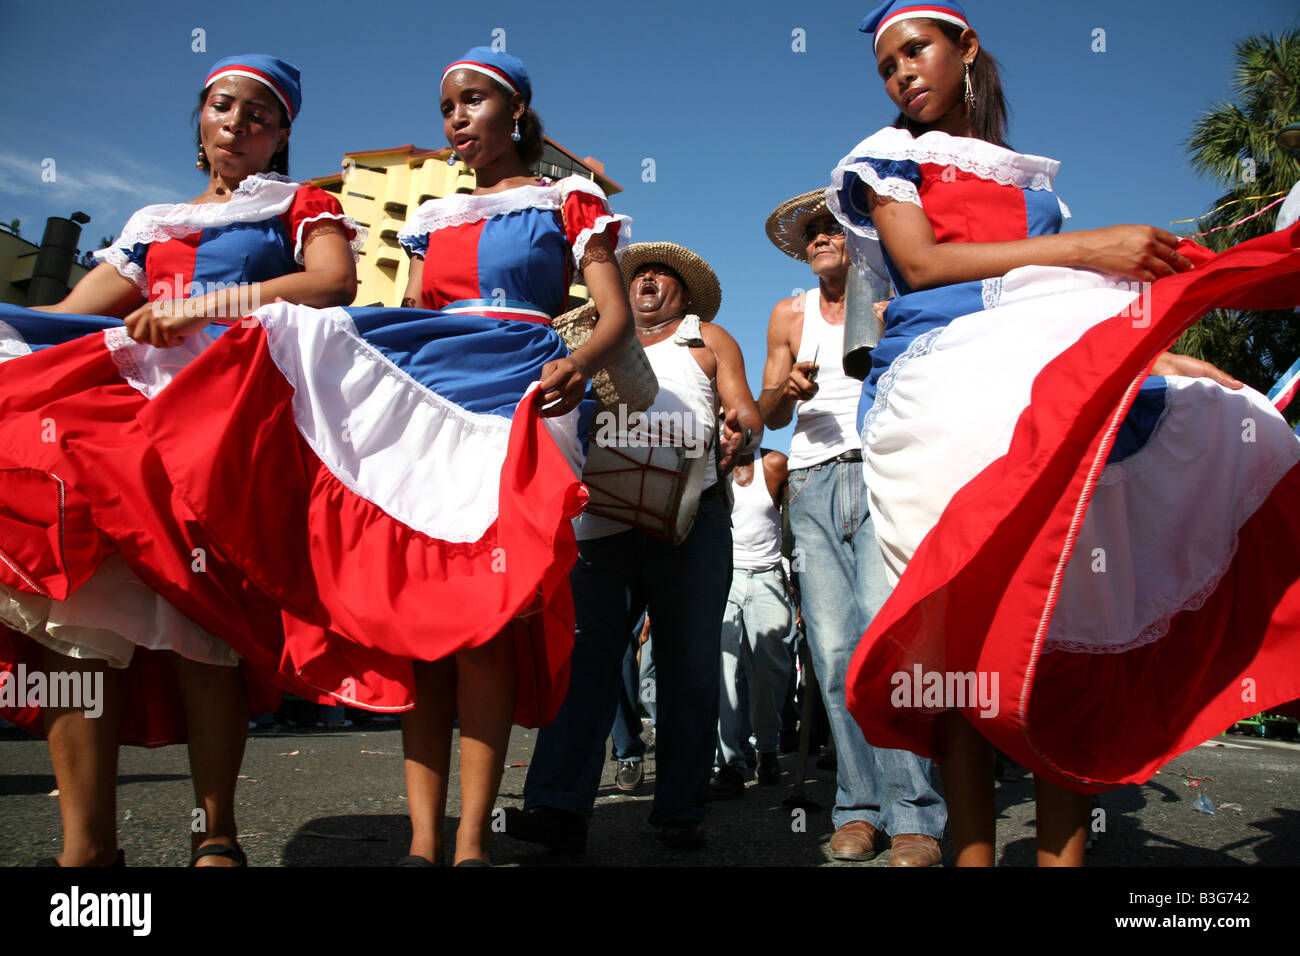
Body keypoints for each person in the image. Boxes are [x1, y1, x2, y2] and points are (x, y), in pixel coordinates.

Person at [830, 0, 1300, 866]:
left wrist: (1165, 360)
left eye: (916, 50)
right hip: (940, 388)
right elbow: (925, 266)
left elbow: (1068, 312)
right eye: (887, 64)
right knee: (958, 635)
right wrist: (1090, 249)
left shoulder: (1034, 184)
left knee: (1055, 619)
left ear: (965, 47)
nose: (901, 73)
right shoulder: (887, 158)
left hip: (1038, 375)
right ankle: (970, 854)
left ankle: (1062, 859)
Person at [0, 55, 362, 867]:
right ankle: (87, 850)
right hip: (121, 423)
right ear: (201, 118)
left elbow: (334, 282)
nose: (240, 122)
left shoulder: (300, 204)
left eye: (261, 115)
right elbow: (60, 318)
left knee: (206, 625)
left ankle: (217, 837)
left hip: (223, 428)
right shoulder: (152, 221)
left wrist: (204, 305)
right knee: (79, 617)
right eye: (225, 106)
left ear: (282, 136)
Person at [506, 241, 763, 851]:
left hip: (691, 520)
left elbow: (748, 413)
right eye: (637, 274)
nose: (646, 280)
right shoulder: (588, 338)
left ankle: (680, 809)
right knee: (585, 665)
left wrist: (742, 434)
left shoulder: (709, 340)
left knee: (689, 667)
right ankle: (557, 807)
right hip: (600, 524)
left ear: (683, 293)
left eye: (660, 275)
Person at [759, 189, 946, 865]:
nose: (819, 238)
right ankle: (858, 808)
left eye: (831, 228)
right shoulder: (789, 313)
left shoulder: (893, 293)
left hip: (881, 470)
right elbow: (767, 412)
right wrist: (788, 389)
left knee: (883, 642)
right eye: (809, 232)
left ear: (858, 238)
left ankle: (916, 813)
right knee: (833, 656)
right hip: (810, 483)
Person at [709, 446, 795, 798]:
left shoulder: (774, 464)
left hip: (767, 576)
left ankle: (767, 747)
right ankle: (728, 763)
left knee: (770, 671)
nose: (734, 432)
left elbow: (793, 523)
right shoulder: (711, 467)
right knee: (725, 671)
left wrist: (797, 581)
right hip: (725, 574)